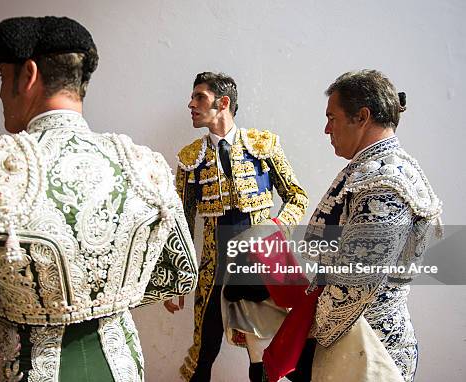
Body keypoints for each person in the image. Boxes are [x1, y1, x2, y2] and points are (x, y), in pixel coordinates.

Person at [0, 16, 198, 381]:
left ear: (28, 75)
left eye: (2, 77)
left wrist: (18, 294)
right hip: (122, 366)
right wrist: (109, 295)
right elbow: (182, 274)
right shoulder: (146, 166)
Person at [167, 71, 308, 381]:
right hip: (214, 271)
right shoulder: (191, 159)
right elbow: (181, 220)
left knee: (266, 352)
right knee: (204, 352)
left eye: (199, 97)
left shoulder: (263, 146)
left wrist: (273, 230)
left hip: (260, 267)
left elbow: (297, 197)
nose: (191, 104)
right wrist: (176, 276)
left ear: (224, 102)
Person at [304, 69, 442, 381]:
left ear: (362, 116)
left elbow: (354, 285)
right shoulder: (382, 169)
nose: (327, 128)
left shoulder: (382, 181)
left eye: (333, 117)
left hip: (366, 349)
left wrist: (309, 332)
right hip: (363, 340)